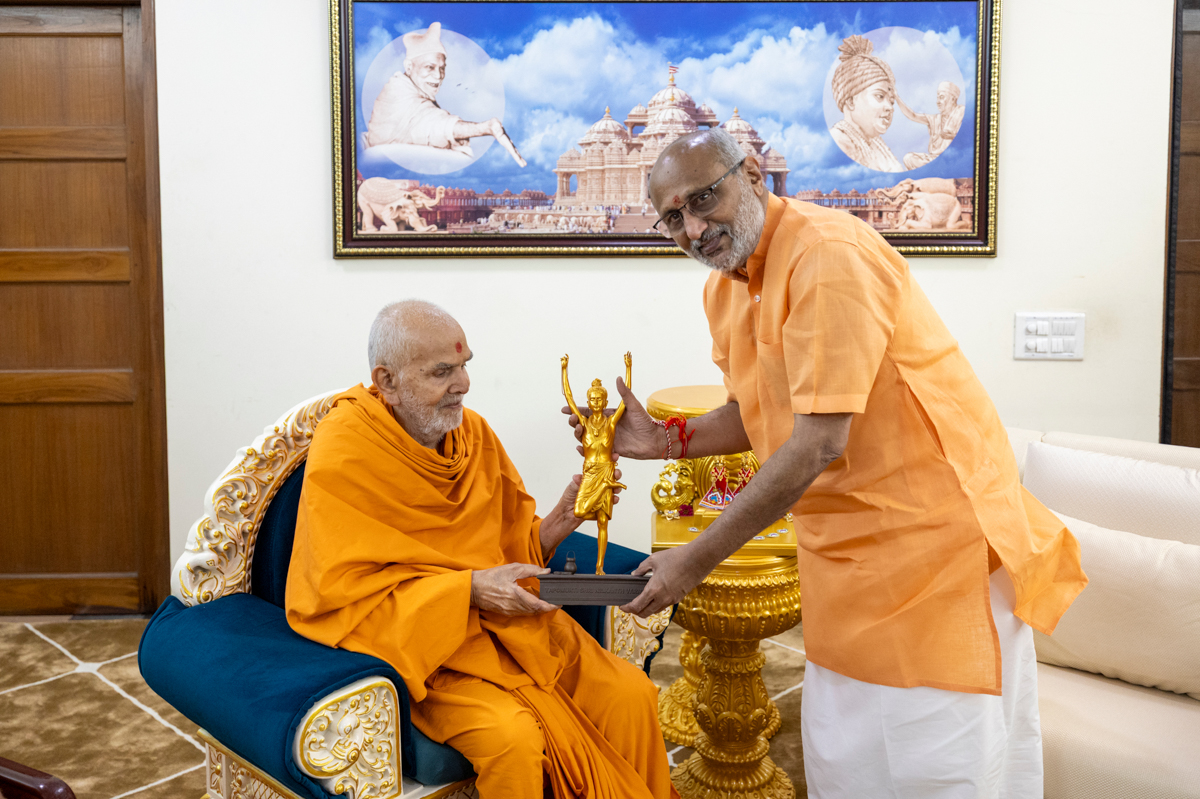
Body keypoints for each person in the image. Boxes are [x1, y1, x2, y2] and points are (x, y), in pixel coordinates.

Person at [566, 128, 1088, 798]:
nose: (694, 227)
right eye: (673, 217)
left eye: (704, 197)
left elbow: (817, 441)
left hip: (933, 547)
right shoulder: (725, 289)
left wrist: (692, 560)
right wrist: (663, 439)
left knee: (938, 767)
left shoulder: (826, 254)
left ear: (752, 173)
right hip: (844, 560)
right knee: (850, 763)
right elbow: (761, 413)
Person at [287, 300, 675, 799]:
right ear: (386, 381)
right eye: (442, 371)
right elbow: (341, 596)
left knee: (631, 694)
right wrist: (468, 591)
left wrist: (563, 517)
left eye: (466, 364)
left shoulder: (472, 436)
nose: (464, 383)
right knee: (513, 737)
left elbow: (510, 549)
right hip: (432, 652)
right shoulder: (345, 449)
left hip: (517, 634)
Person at [365, 23, 527, 167]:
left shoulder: (416, 93)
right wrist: (484, 128)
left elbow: (433, 121)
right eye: (430, 67)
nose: (439, 76)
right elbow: (436, 126)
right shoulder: (398, 93)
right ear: (409, 67)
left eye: (442, 68)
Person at [829, 35, 904, 172]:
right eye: (880, 96)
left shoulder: (878, 146)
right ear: (851, 101)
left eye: (891, 101)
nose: (889, 108)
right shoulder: (839, 140)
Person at [899, 81, 967, 169]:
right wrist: (897, 97)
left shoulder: (961, 112)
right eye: (937, 98)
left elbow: (970, 139)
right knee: (908, 158)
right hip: (935, 159)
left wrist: (953, 136)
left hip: (953, 159)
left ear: (953, 99)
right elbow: (913, 115)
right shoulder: (935, 119)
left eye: (942, 97)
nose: (938, 102)